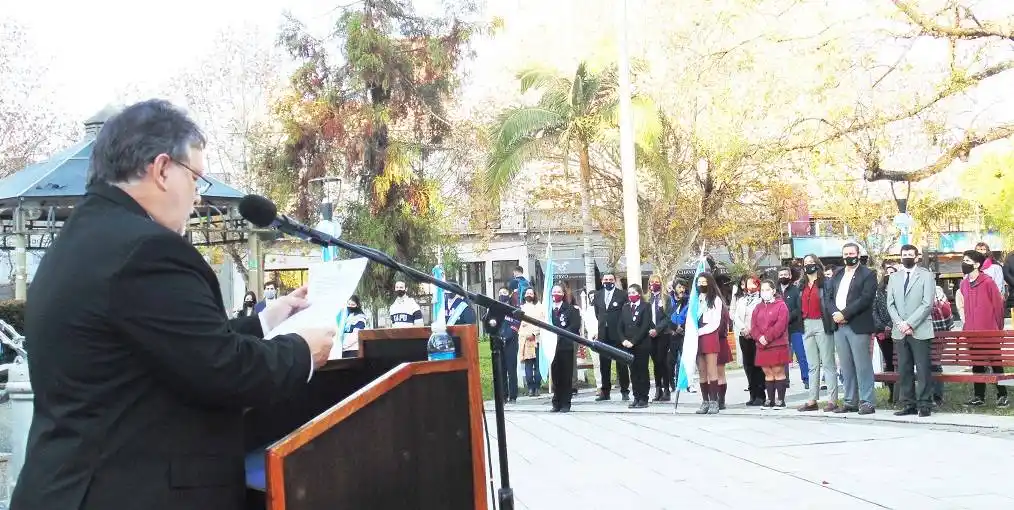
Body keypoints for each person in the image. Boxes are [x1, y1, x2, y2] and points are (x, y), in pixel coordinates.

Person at [11, 100, 335, 510]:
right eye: (195, 177)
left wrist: (265, 321)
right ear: (162, 169)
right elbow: (223, 370)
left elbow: (172, 344)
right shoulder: (146, 251)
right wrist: (302, 352)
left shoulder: (83, 239)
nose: (197, 197)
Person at [824, 242, 878, 415]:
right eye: (846, 254)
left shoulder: (868, 274)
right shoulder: (837, 274)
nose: (849, 257)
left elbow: (866, 298)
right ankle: (850, 401)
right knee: (846, 366)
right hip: (838, 325)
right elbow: (828, 297)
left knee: (862, 365)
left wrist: (845, 313)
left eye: (851, 253)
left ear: (858, 254)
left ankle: (867, 401)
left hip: (857, 325)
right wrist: (835, 313)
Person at [886, 245, 936, 417]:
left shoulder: (926, 276)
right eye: (904, 254)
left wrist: (910, 324)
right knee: (904, 368)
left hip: (919, 330)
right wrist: (900, 323)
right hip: (900, 331)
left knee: (922, 369)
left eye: (910, 254)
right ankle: (909, 404)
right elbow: (890, 304)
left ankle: (924, 404)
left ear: (916, 257)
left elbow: (927, 303)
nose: (906, 257)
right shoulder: (894, 277)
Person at [956, 250, 1008, 408]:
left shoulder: (988, 282)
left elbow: (998, 308)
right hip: (972, 333)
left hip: (989, 333)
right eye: (963, 260)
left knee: (996, 365)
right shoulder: (964, 284)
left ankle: (1002, 395)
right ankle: (979, 396)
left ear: (977, 264)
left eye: (967, 261)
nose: (964, 263)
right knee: (977, 365)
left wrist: (998, 329)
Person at [796, 255, 839, 412]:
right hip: (806, 324)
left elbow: (829, 302)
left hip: (822, 322)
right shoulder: (801, 285)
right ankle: (812, 400)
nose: (808, 265)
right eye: (806, 263)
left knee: (828, 363)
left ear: (817, 264)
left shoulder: (826, 283)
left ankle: (832, 400)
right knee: (812, 365)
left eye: (811, 262)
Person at [750, 280, 791, 409]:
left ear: (773, 291)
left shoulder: (781, 305)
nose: (764, 292)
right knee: (767, 372)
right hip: (762, 345)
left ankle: (780, 400)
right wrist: (759, 337)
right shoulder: (758, 307)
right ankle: (770, 399)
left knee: (778, 371)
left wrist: (767, 337)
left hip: (777, 344)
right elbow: (753, 325)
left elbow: (780, 325)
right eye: (762, 290)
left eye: (767, 289)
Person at [593, 272, 629, 401]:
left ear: (614, 281)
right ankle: (605, 392)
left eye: (610, 279)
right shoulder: (598, 295)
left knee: (621, 363)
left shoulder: (622, 295)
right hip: (603, 334)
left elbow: (625, 313)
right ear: (602, 281)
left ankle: (624, 390)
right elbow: (597, 313)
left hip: (618, 334)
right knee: (604, 364)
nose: (608, 281)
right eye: (606, 279)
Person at [694, 271, 724, 415]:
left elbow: (715, 322)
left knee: (712, 370)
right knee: (702, 371)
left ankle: (714, 401)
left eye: (704, 282)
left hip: (709, 335)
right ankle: (705, 400)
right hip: (696, 336)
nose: (701, 285)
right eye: (699, 282)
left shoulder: (715, 299)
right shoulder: (695, 299)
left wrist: (700, 331)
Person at [549, 284, 580, 412]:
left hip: (566, 345)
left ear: (563, 294)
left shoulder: (571, 309)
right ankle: (556, 402)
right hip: (552, 346)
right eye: (554, 291)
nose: (556, 294)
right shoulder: (548, 310)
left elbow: (575, 326)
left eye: (559, 291)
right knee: (555, 375)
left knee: (566, 375)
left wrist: (561, 334)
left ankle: (566, 403)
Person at [620, 284, 652, 408]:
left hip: (641, 344)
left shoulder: (646, 306)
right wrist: (623, 339)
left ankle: (644, 398)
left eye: (633, 292)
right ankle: (636, 397)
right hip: (628, 345)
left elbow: (645, 326)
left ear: (639, 293)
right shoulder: (625, 307)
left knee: (642, 371)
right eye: (629, 293)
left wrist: (634, 341)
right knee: (633, 372)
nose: (631, 295)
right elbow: (620, 325)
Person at [734, 276, 764, 406]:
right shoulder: (742, 300)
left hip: (756, 335)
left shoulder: (761, 299)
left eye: (753, 283)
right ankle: (752, 394)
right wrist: (743, 328)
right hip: (744, 335)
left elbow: (762, 317)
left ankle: (760, 395)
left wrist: (753, 330)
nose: (750, 286)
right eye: (748, 284)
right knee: (748, 365)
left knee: (758, 365)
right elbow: (736, 316)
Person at [646, 274, 673, 401]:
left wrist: (657, 329)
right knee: (656, 362)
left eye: (657, 282)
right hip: (650, 334)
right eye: (652, 282)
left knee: (662, 361)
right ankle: (658, 388)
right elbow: (644, 316)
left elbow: (668, 317)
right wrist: (650, 330)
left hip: (663, 334)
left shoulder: (666, 298)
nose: (654, 284)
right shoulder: (646, 298)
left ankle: (666, 388)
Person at [518, 288, 543, 397]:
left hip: (537, 339)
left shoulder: (539, 307)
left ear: (534, 295)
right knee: (528, 365)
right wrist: (526, 335)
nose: (529, 294)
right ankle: (530, 388)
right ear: (524, 295)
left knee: (538, 365)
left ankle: (537, 387)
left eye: (531, 293)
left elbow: (541, 322)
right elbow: (519, 325)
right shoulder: (521, 308)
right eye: (527, 293)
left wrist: (534, 333)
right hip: (525, 341)